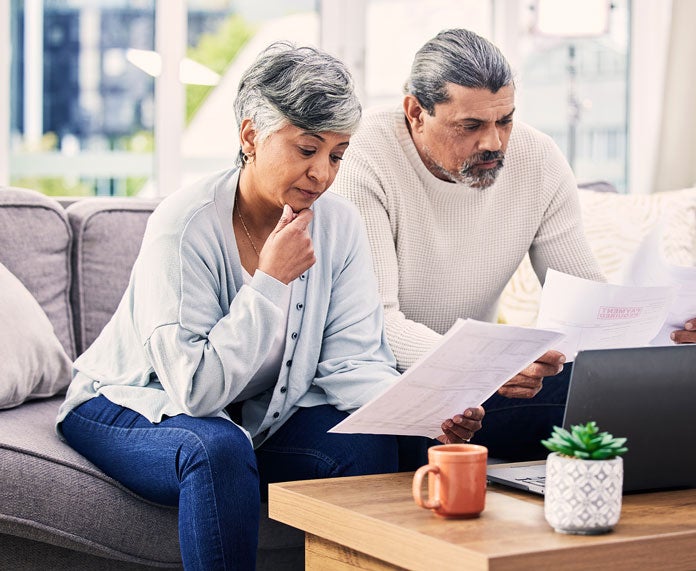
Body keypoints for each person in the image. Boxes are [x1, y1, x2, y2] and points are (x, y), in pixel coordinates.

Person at [56, 42, 483, 571]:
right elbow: (195, 391)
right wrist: (270, 281)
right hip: (132, 400)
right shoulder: (183, 225)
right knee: (216, 449)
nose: (322, 174)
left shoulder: (339, 225)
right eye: (306, 150)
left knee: (371, 444)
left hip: (251, 415)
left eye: (337, 155)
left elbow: (353, 363)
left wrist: (423, 411)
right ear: (250, 136)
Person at [330, 28, 696, 461]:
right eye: (470, 126)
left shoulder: (538, 159)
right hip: (389, 381)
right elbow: (378, 325)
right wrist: (488, 364)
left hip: (483, 385)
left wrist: (667, 338)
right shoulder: (361, 157)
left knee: (624, 395)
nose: (494, 143)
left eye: (505, 120)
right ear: (415, 113)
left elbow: (587, 303)